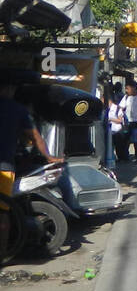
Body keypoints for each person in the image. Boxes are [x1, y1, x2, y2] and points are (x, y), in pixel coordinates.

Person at [0, 77, 85, 215]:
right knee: (3, 213)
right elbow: (35, 137)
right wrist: (50, 157)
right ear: (9, 89)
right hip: (5, 168)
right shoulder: (17, 110)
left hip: (7, 165)